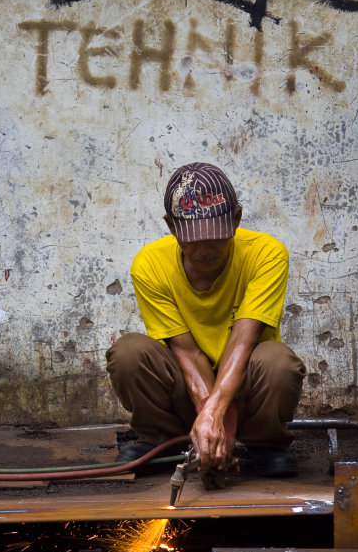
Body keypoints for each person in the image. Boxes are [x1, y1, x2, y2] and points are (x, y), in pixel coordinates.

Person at [106, 162, 306, 477]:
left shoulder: (267, 254)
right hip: (186, 394)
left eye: (215, 237)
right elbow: (186, 353)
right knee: (130, 353)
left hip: (247, 389)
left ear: (237, 219)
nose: (204, 249)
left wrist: (220, 420)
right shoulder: (149, 264)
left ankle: (264, 445)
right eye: (192, 239)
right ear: (171, 226)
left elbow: (243, 340)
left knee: (278, 362)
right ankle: (165, 440)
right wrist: (209, 414)